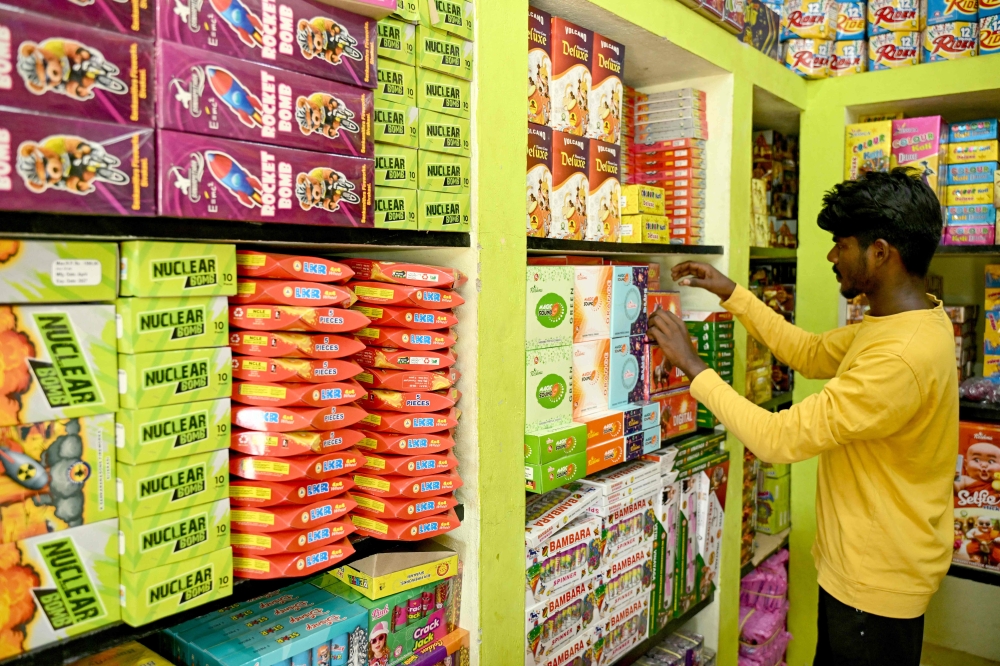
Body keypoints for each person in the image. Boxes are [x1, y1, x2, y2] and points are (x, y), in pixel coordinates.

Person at [648, 168, 957, 665]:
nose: (832, 256)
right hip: (864, 573)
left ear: (880, 252)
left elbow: (777, 438)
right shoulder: (901, 321)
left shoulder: (902, 356)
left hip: (875, 588)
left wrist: (693, 367)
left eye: (842, 244)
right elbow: (810, 352)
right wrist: (733, 293)